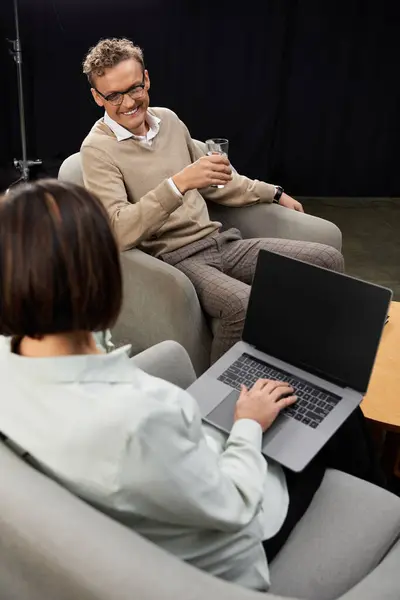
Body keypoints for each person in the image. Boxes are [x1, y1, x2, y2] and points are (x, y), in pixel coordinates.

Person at [0, 180, 383, 593]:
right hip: (236, 536)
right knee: (342, 417)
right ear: (105, 278)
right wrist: (248, 424)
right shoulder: (142, 416)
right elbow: (235, 502)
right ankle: (378, 510)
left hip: (164, 483)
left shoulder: (12, 365)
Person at [80, 38, 345, 363]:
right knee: (242, 305)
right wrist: (177, 184)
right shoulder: (97, 150)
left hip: (221, 243)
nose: (128, 103)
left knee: (327, 260)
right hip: (177, 260)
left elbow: (220, 182)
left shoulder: (169, 121)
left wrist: (272, 192)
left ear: (146, 79)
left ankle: (312, 367)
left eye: (135, 88)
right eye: (113, 96)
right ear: (97, 97)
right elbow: (116, 230)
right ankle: (216, 405)